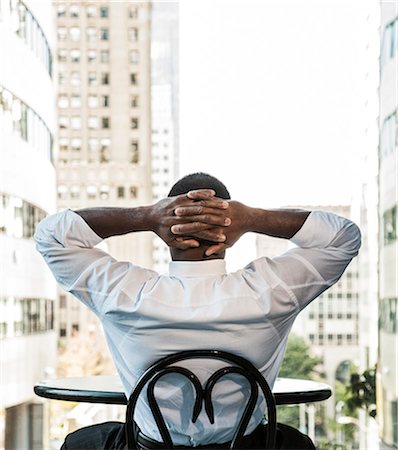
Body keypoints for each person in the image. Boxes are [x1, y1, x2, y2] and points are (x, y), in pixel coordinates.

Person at [35, 172, 361, 450]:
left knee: (79, 442)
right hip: (247, 446)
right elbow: (343, 236)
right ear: (228, 234)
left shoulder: (125, 293)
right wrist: (249, 217)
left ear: (167, 230)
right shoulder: (270, 292)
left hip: (151, 447)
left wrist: (147, 217)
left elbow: (51, 235)